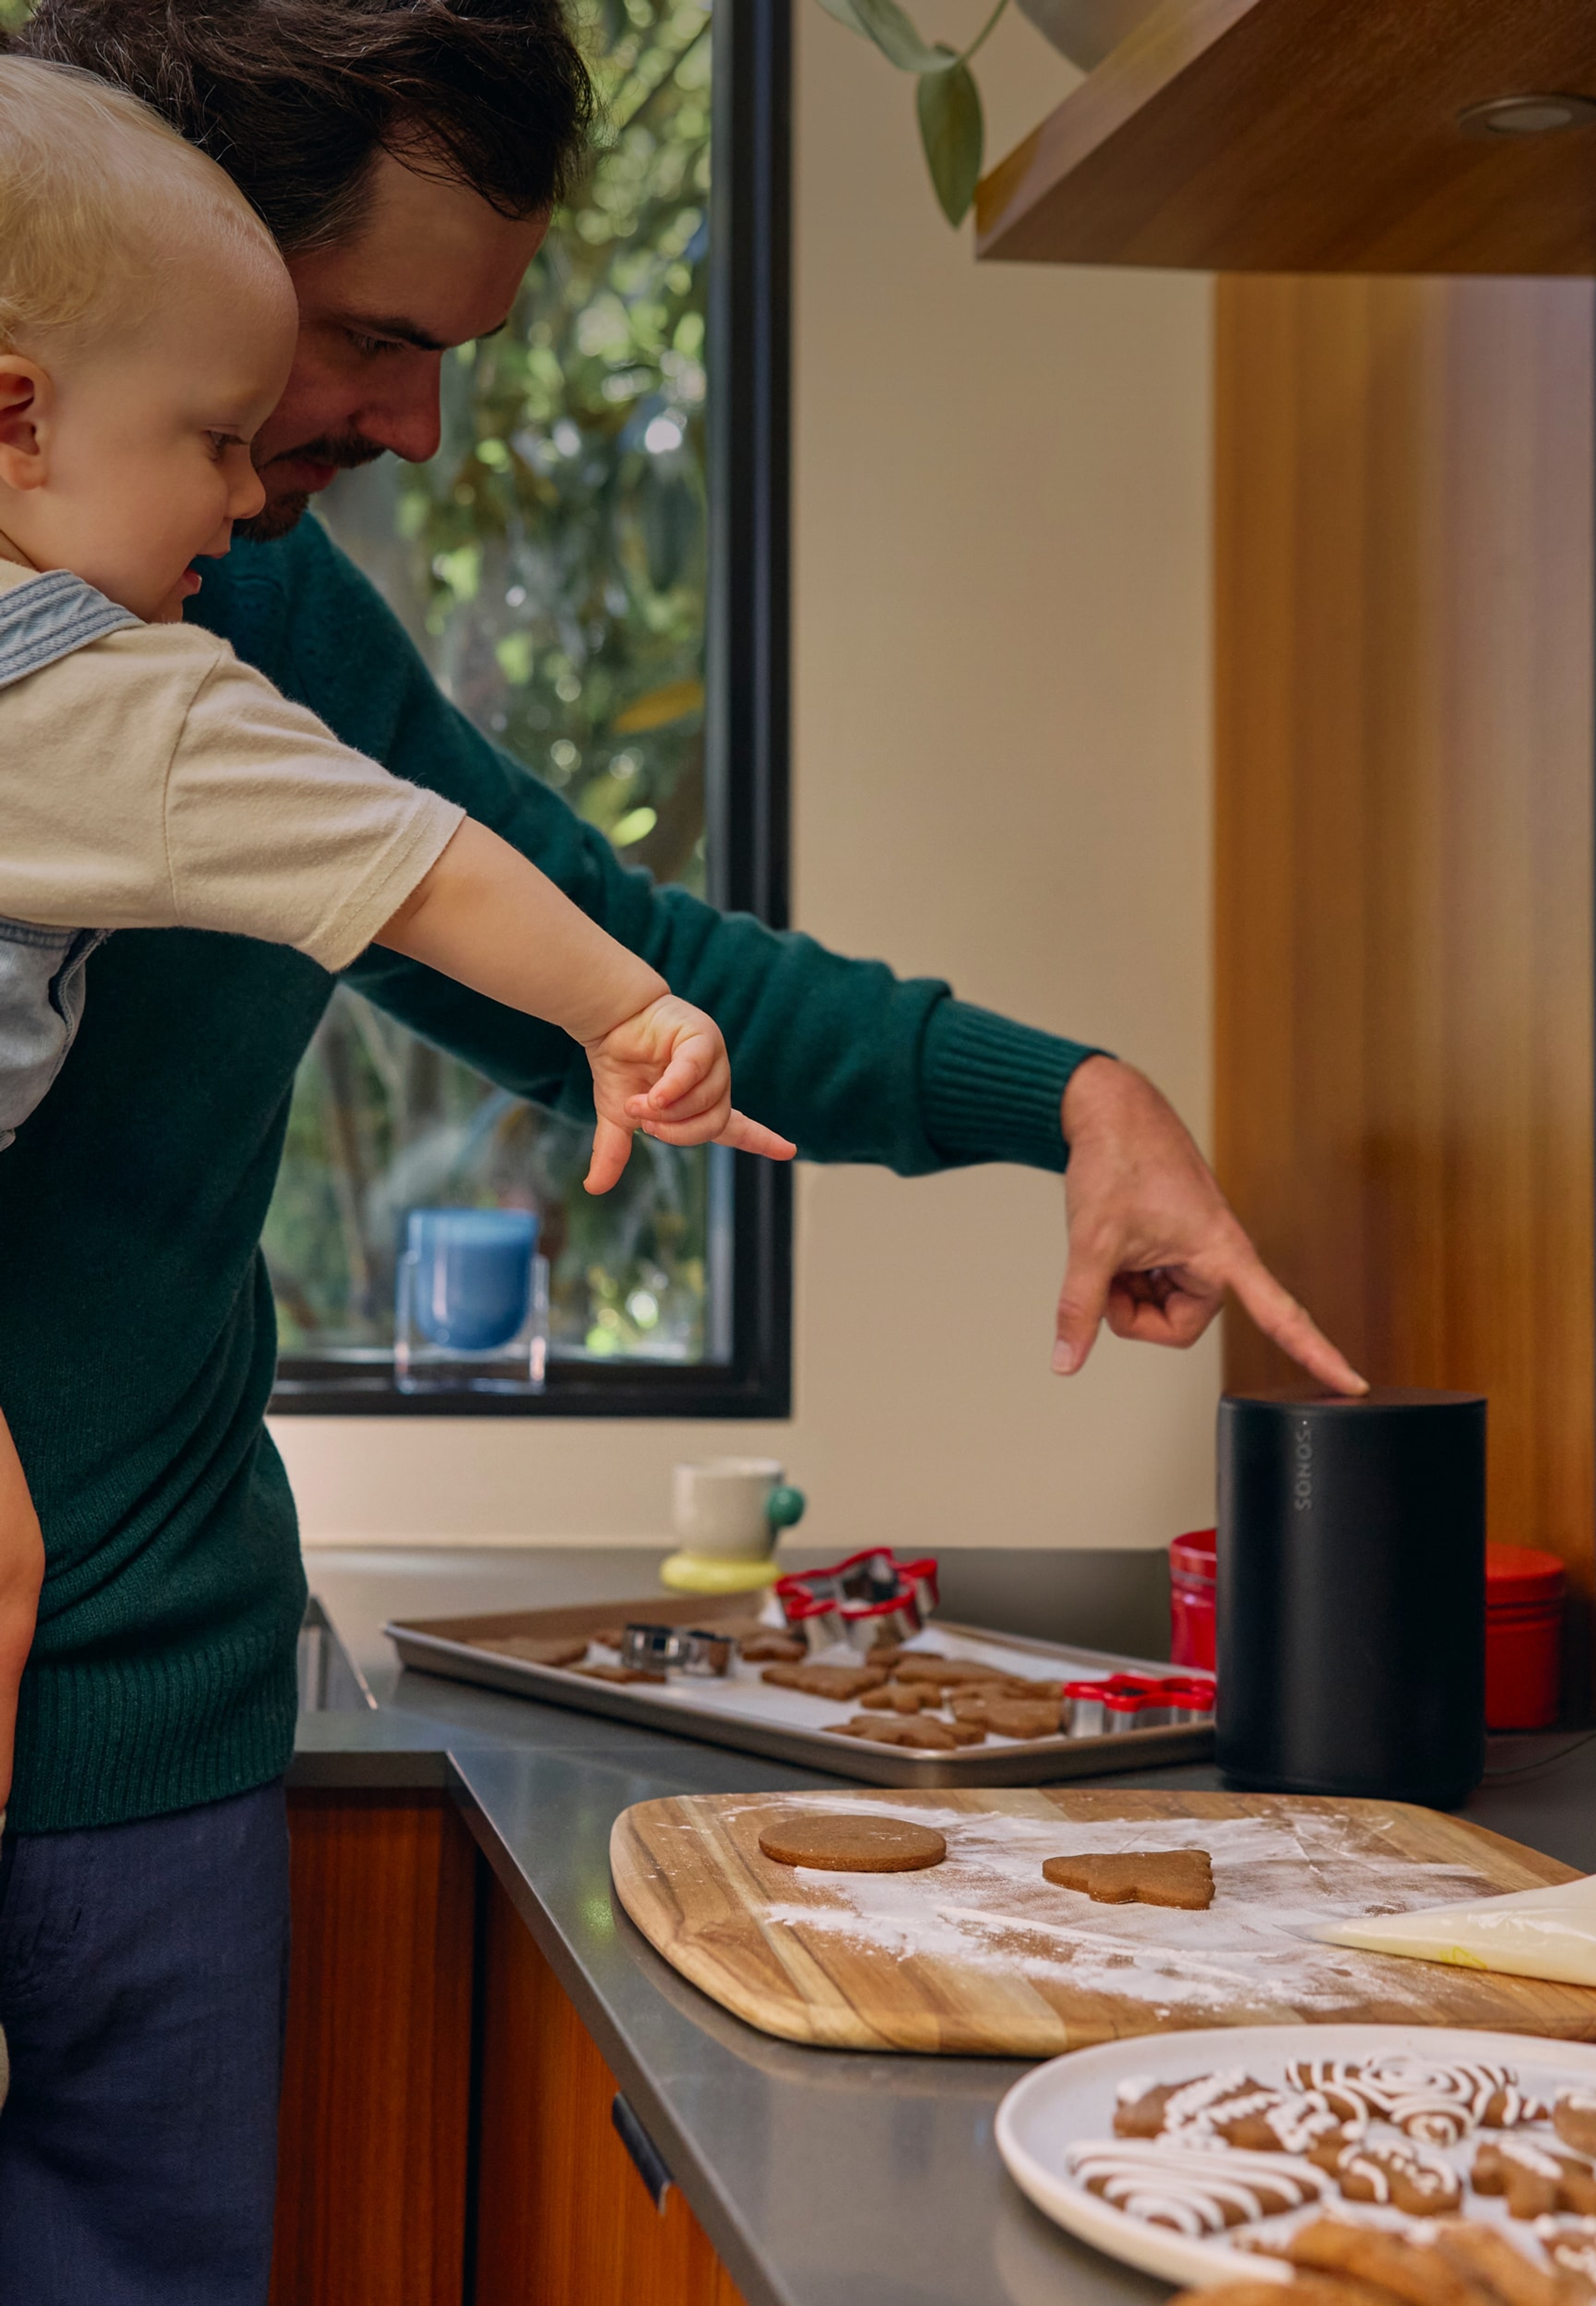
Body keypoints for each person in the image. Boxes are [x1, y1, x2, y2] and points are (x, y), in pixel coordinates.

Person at [0, 2, 1363, 2295]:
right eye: (364, 343)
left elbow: (598, 951)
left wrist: (1067, 1099)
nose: (414, 428)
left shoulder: (256, 623)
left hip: (159, 1759)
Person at [0, 49, 798, 2201]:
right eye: (219, 441)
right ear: (17, 414)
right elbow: (426, 864)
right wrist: (636, 1016)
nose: (244, 507)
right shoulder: (92, 683)